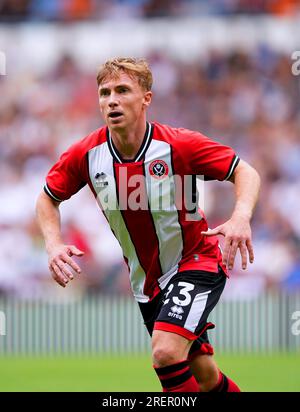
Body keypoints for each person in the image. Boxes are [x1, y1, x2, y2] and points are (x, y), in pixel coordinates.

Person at [36, 57, 260, 392]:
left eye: (123, 90)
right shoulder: (87, 154)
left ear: (146, 99)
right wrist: (53, 244)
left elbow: (245, 171)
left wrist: (241, 216)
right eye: (105, 92)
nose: (112, 100)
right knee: (204, 376)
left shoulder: (178, 145)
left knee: (166, 353)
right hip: (147, 282)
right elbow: (46, 198)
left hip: (196, 261)